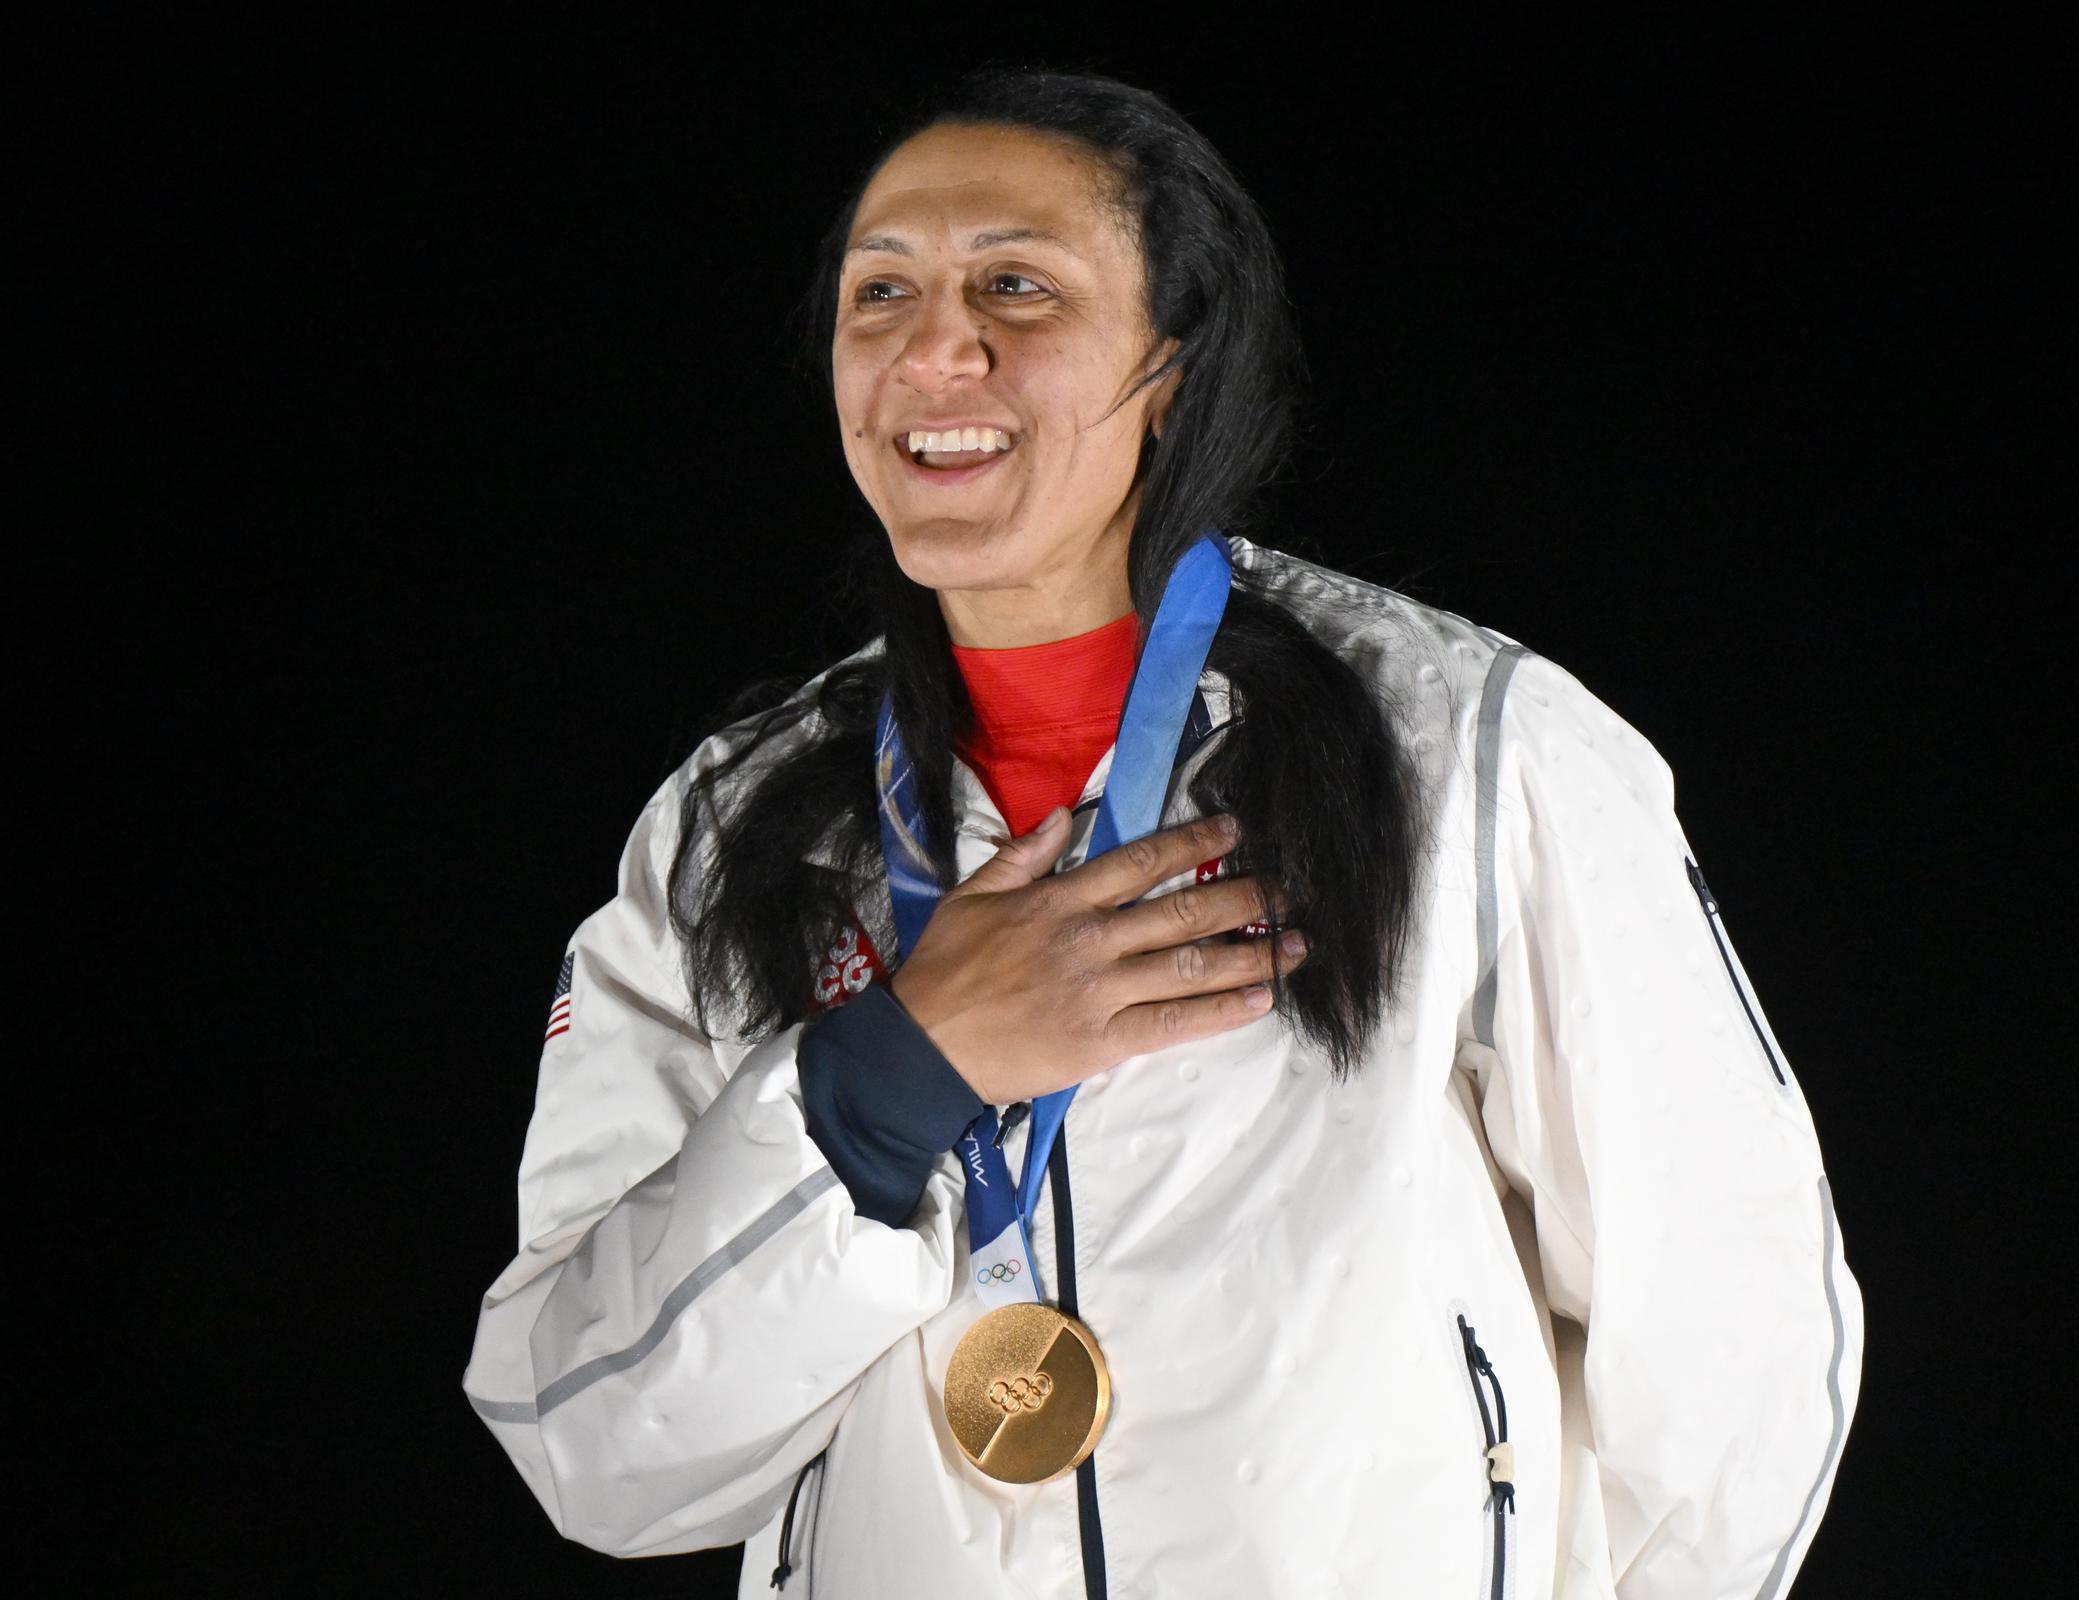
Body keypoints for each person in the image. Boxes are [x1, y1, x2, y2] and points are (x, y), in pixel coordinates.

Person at [464, 66, 1862, 1600]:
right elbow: (588, 1442)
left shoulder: (1465, 745)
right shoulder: (729, 831)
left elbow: (1734, 1349)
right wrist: (880, 1087)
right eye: (883, 295)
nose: (938, 346)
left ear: (1174, 368)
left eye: (1016, 283)